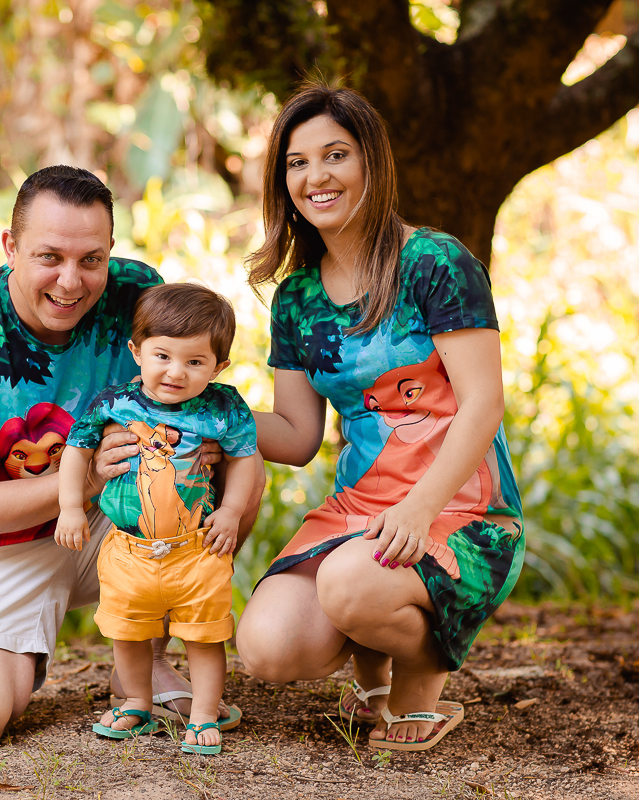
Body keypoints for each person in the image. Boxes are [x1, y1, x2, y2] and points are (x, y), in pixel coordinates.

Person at [0, 165, 258, 745]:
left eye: (91, 259)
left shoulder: (137, 294)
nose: (71, 282)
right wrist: (88, 477)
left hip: (122, 523)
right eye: (49, 257)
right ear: (10, 247)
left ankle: (140, 662)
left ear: (111, 251)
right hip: (1, 539)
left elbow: (197, 399)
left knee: (240, 465)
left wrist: (232, 437)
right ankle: (18, 645)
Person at [237, 81, 525, 751]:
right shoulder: (297, 298)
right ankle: (371, 669)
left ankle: (420, 689)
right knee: (268, 647)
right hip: (359, 510)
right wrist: (204, 413)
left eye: (335, 155)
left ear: (371, 161)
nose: (317, 177)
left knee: (348, 582)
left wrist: (420, 510)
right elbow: (298, 434)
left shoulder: (435, 264)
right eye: (297, 162)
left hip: (457, 510)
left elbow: (484, 403)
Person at [54, 283, 261, 755]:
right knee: (128, 632)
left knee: (204, 635)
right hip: (128, 550)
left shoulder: (223, 407)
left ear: (219, 366)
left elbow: (246, 457)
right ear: (136, 350)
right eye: (162, 356)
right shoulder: (114, 402)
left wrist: (230, 510)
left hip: (197, 550)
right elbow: (76, 449)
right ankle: (136, 702)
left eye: (194, 362)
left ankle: (205, 715)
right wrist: (70, 506)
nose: (175, 372)